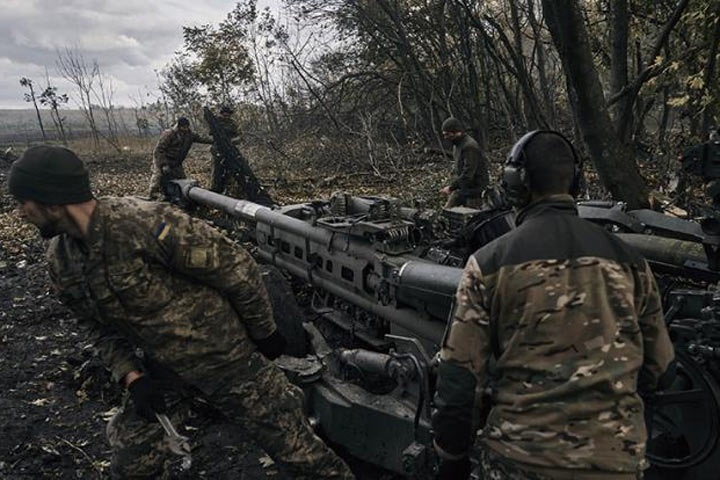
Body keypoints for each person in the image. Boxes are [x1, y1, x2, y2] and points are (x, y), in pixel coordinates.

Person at [9, 145, 355, 480]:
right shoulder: (61, 259)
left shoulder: (147, 224)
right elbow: (93, 324)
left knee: (304, 458)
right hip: (160, 373)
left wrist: (265, 333)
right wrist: (132, 376)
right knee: (132, 462)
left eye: (23, 203)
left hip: (227, 361)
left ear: (52, 200)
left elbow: (237, 269)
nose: (20, 213)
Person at [432, 131, 676, 480]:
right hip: (616, 463)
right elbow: (662, 371)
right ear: (576, 181)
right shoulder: (633, 262)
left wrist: (451, 459)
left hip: (520, 461)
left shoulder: (488, 263)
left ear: (515, 183)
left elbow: (458, 383)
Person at [149, 117, 212, 200]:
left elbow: (203, 139)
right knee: (158, 175)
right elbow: (159, 150)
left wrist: (215, 140)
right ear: (179, 126)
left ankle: (178, 196)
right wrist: (163, 164)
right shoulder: (169, 134)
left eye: (186, 127)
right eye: (183, 127)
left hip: (176, 162)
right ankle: (153, 194)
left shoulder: (190, 135)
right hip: (164, 159)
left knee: (182, 180)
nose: (185, 129)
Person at [438, 117, 489, 209]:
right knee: (447, 213)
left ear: (457, 132)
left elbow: (468, 174)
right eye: (444, 135)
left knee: (471, 219)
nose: (446, 138)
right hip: (464, 189)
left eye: (448, 134)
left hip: (475, 192)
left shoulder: (469, 147)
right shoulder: (457, 145)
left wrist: (451, 187)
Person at [210, 104, 242, 194]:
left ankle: (227, 189)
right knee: (216, 169)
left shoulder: (233, 123)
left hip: (230, 149)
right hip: (217, 149)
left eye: (228, 115)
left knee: (229, 169)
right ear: (221, 114)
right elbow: (211, 135)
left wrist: (231, 141)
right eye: (224, 114)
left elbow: (240, 137)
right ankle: (214, 189)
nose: (226, 116)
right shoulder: (215, 122)